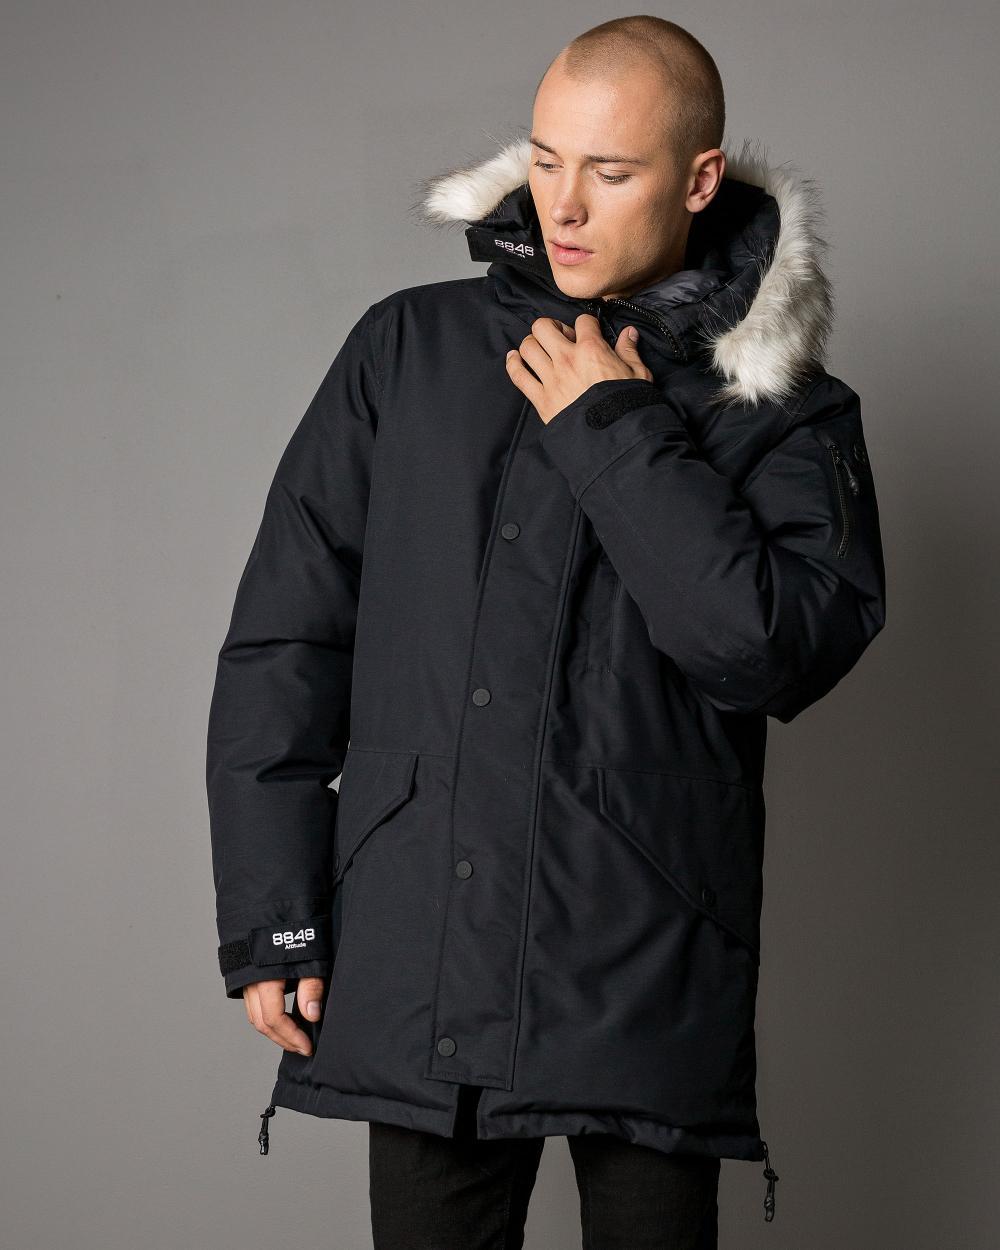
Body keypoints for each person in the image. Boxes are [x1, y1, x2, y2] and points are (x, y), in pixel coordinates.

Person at [206, 15, 887, 1249]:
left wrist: (616, 434)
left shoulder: (778, 407)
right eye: (545, 158)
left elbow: (767, 652)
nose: (561, 205)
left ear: (698, 179)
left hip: (645, 963)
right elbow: (285, 645)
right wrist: (276, 916)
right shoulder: (406, 350)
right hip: (422, 956)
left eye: (610, 172)